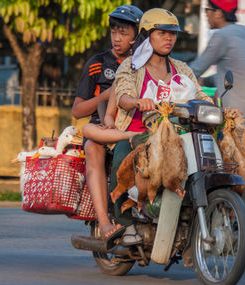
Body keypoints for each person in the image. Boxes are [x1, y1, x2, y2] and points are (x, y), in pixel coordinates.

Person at [104, 8, 213, 246]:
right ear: (146, 35)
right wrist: (136, 102)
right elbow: (122, 94)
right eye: (162, 33)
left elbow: (200, 93)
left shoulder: (181, 68)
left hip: (179, 132)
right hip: (135, 132)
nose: (169, 38)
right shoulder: (131, 67)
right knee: (123, 158)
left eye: (173, 33)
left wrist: (214, 106)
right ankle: (125, 222)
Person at [71, 5, 143, 249]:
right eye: (114, 31)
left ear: (137, 35)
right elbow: (77, 110)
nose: (116, 38)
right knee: (93, 148)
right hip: (101, 128)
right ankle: (104, 224)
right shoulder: (98, 63)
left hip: (135, 128)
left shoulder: (144, 64)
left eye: (123, 32)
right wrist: (105, 96)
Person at [189, 0, 245, 127]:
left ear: (218, 13)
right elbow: (238, 75)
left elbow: (195, 70)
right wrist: (205, 81)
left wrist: (172, 78)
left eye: (207, 10)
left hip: (238, 119)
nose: (206, 14)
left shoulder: (222, 36)